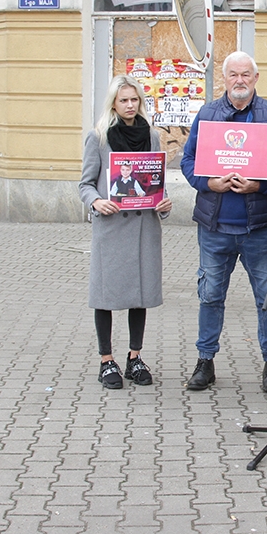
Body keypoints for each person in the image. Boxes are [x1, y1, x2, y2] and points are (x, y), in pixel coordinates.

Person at [180, 51, 267, 394]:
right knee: (210, 295)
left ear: (255, 78)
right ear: (225, 78)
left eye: (246, 74)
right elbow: (188, 160)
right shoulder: (208, 114)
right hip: (215, 227)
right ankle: (205, 362)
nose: (240, 81)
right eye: (234, 75)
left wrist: (262, 185)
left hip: (259, 228)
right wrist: (207, 182)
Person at [78, 75, 173, 389]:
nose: (130, 106)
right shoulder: (99, 137)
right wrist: (97, 202)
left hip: (145, 226)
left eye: (135, 100)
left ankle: (135, 357)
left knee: (140, 295)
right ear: (114, 104)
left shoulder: (152, 136)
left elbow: (157, 184)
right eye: (124, 101)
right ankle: (106, 361)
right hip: (112, 227)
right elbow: (85, 184)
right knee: (104, 296)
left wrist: (164, 205)